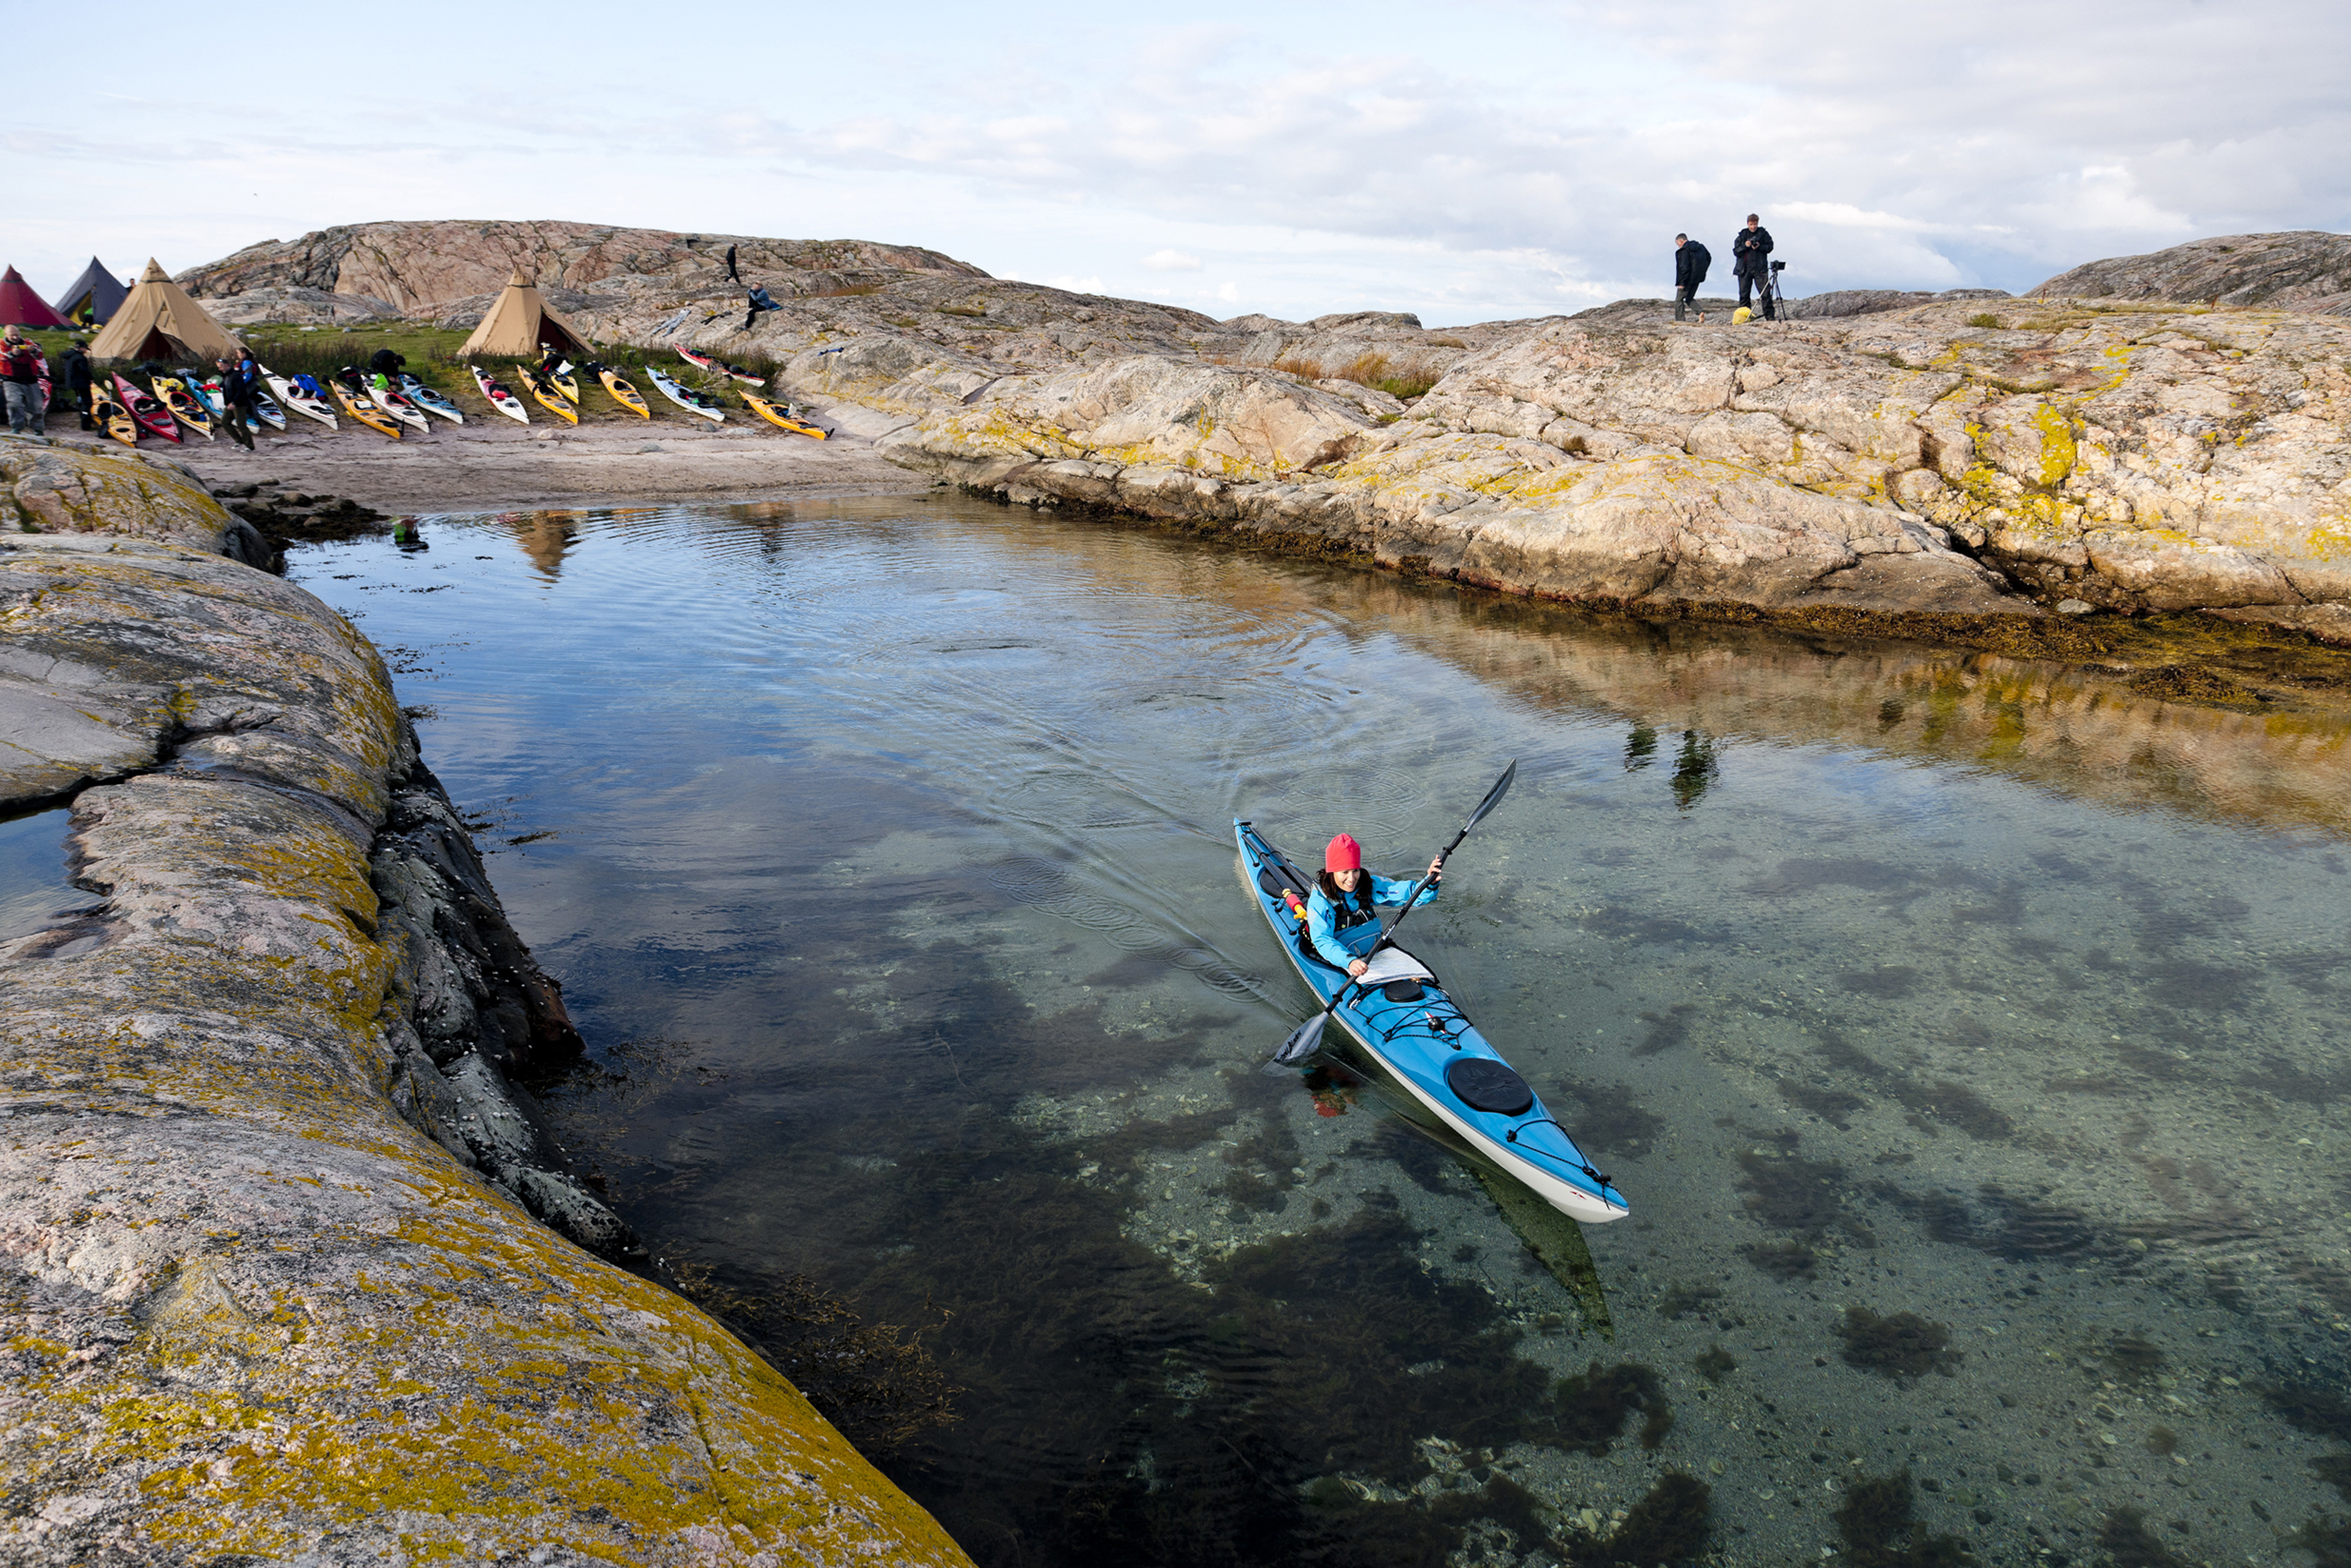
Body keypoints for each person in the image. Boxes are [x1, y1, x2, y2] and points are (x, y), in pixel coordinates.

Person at [1305, 832, 1442, 979]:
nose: (1351, 879)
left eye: (1355, 870)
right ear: (1332, 872)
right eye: (1344, 872)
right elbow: (1322, 939)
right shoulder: (1320, 900)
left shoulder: (1368, 884)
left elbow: (1410, 895)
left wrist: (1429, 883)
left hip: (1377, 951)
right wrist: (1349, 961)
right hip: (1344, 961)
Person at [2, 328, 46, 435]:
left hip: (30, 379)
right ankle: (16, 427)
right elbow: (2, 357)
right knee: (14, 404)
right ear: (6, 334)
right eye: (12, 335)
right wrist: (12, 354)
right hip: (11, 379)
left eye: (17, 335)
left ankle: (38, 428)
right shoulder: (1, 345)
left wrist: (33, 350)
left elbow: (39, 355)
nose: (15, 337)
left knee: (37, 406)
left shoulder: (27, 342)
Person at [1732, 214, 1776, 319]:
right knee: (1744, 295)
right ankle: (1744, 318)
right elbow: (1736, 251)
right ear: (1747, 224)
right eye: (1751, 224)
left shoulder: (1763, 234)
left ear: (1758, 223)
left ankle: (1770, 318)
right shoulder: (1742, 235)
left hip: (1760, 269)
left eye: (1755, 224)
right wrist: (1745, 246)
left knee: (1765, 294)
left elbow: (1770, 247)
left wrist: (1760, 247)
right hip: (1744, 269)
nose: (1753, 226)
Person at [220, 352, 262, 449]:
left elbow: (240, 390)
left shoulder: (236, 376)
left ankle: (250, 446)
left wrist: (234, 402)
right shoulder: (225, 376)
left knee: (241, 425)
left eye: (221, 366)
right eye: (218, 367)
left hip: (239, 404)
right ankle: (239, 441)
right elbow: (224, 387)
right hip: (230, 404)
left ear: (227, 365)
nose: (220, 368)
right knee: (225, 422)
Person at [1674, 233, 1711, 322]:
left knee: (1679, 300)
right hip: (1698, 277)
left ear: (1681, 241)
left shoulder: (1684, 250)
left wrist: (1681, 282)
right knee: (1689, 298)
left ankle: (1680, 321)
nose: (1678, 246)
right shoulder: (1700, 247)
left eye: (1678, 244)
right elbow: (1708, 257)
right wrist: (1702, 270)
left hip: (1687, 279)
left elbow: (1684, 267)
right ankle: (1700, 312)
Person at [59, 339, 94, 431]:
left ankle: (83, 417)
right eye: (85, 349)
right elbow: (84, 370)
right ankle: (86, 424)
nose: (86, 351)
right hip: (81, 382)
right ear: (81, 348)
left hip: (71, 382)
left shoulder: (69, 356)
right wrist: (90, 378)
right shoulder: (80, 358)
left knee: (81, 401)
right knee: (87, 402)